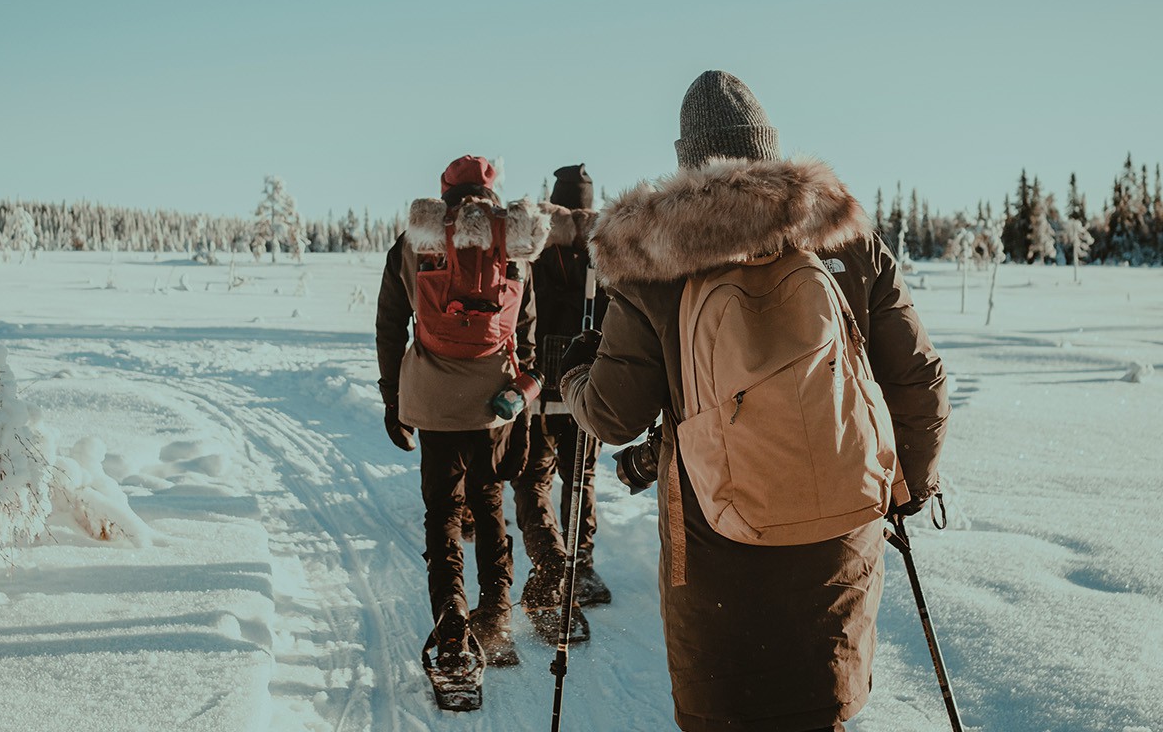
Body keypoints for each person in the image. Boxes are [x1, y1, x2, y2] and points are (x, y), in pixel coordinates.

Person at [561, 71, 950, 732]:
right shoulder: (845, 240)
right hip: (840, 536)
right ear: (769, 152)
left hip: (717, 558)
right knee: (822, 711)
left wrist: (575, 373)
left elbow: (614, 414)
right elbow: (919, 380)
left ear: (689, 161)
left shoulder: (654, 261)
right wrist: (907, 485)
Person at [375, 155, 552, 669]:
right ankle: (496, 618)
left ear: (445, 192)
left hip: (431, 401)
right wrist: (522, 397)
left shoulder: (414, 243)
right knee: (489, 504)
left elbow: (390, 326)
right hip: (493, 403)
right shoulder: (514, 246)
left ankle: (451, 626)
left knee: (442, 515)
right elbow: (528, 333)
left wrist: (394, 399)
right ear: (492, 194)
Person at [512, 164, 612, 615]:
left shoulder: (532, 248)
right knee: (580, 477)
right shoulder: (605, 254)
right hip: (585, 385)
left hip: (536, 383)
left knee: (534, 478)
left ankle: (549, 559)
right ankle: (581, 565)